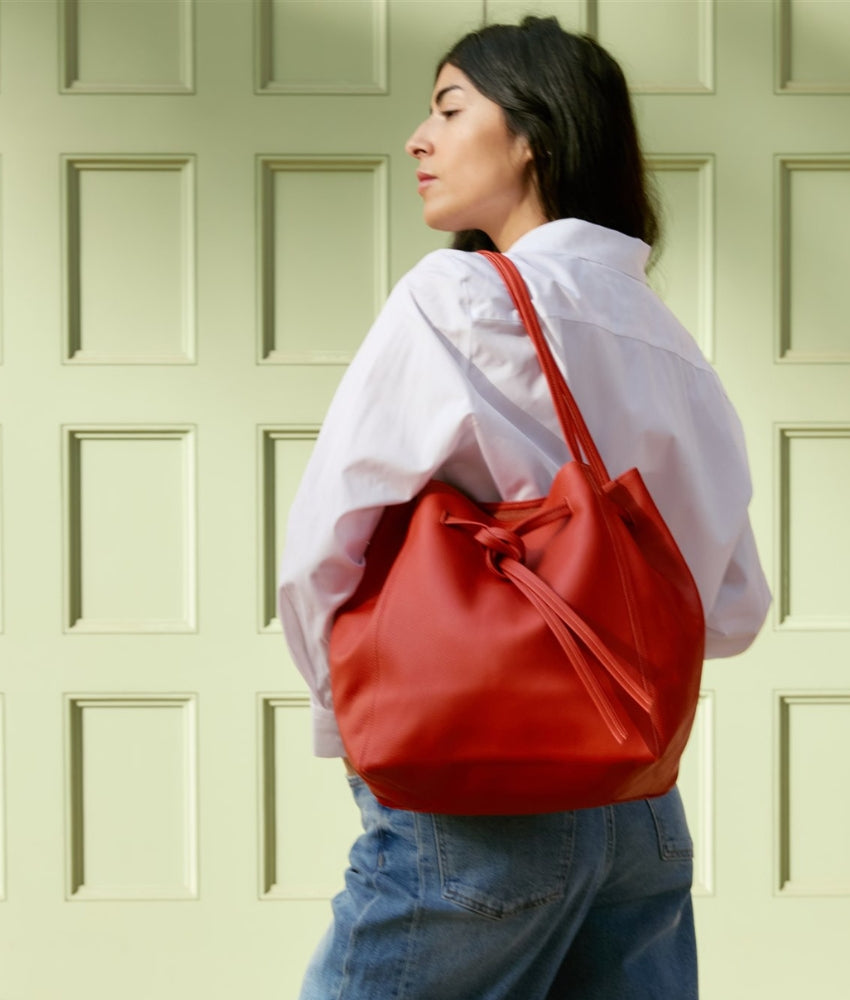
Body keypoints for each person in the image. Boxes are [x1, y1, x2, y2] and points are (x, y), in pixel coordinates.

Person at [278, 16, 770, 1000]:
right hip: (637, 810)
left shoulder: (454, 295)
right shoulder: (666, 339)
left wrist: (354, 728)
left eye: (449, 109)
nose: (418, 138)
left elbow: (327, 541)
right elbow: (734, 608)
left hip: (477, 796)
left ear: (532, 134)